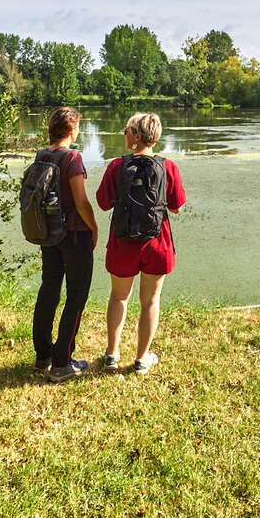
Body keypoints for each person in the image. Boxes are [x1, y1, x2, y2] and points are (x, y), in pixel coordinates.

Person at [96, 112, 185, 374]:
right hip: (157, 242)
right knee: (150, 301)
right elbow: (177, 207)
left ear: (136, 136)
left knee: (119, 297)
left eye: (126, 130)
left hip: (123, 242)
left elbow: (102, 203)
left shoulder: (116, 166)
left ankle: (112, 355)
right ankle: (141, 359)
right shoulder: (168, 167)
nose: (123, 132)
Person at [32, 106, 98, 383]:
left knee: (49, 290)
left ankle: (43, 355)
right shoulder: (72, 158)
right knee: (77, 295)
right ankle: (62, 362)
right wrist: (93, 228)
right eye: (78, 128)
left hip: (49, 234)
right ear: (71, 131)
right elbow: (81, 201)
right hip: (73, 235)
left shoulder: (42, 154)